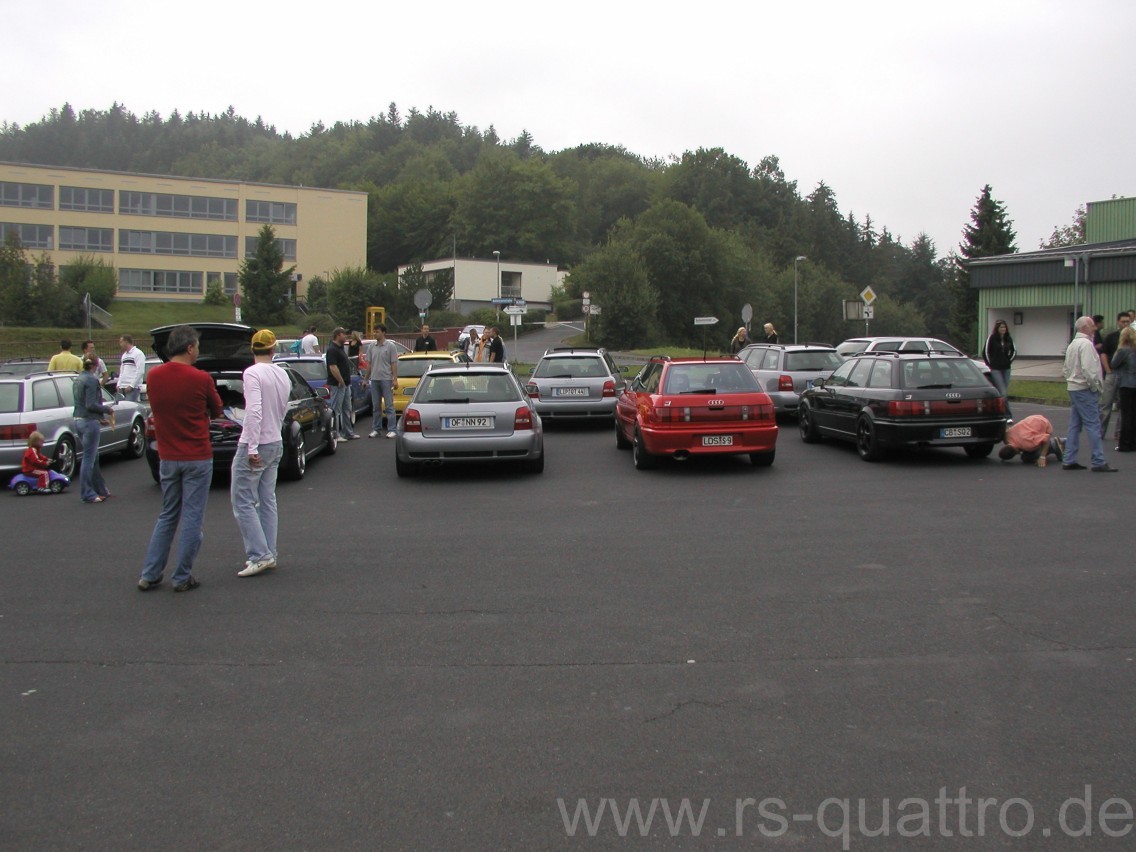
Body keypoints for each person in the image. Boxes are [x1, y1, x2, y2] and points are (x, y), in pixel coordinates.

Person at [137, 325, 224, 593]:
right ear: (189, 348)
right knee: (192, 518)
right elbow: (218, 409)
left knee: (167, 515)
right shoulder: (200, 378)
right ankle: (182, 576)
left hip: (167, 455)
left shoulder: (154, 376)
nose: (198, 351)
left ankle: (150, 573)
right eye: (197, 346)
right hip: (197, 455)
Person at [232, 329, 292, 578]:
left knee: (242, 500)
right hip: (275, 440)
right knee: (267, 499)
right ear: (273, 349)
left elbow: (254, 411)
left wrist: (252, 446)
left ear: (252, 349)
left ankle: (260, 554)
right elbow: (281, 408)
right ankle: (270, 552)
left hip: (256, 442)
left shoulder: (252, 373)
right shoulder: (282, 374)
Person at [1062, 315, 1117, 473]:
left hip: (1074, 387)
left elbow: (1066, 368)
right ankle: (1098, 461)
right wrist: (1096, 387)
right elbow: (1088, 369)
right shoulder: (1086, 344)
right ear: (1085, 327)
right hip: (1084, 388)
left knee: (1075, 425)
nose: (1095, 328)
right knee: (1093, 424)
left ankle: (1069, 458)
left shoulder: (1073, 344)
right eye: (1092, 325)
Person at [72, 355, 114, 503]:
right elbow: (91, 404)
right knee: (89, 458)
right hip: (89, 422)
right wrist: (106, 410)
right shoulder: (91, 380)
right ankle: (87, 493)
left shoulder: (78, 379)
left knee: (93, 456)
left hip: (78, 420)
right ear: (96, 366)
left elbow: (81, 403)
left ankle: (100, 488)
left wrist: (99, 416)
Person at [1099, 312, 1132, 440]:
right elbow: (1103, 354)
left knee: (1123, 406)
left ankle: (1119, 432)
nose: (1125, 324)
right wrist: (1108, 370)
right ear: (1118, 322)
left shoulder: (1132, 338)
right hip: (1112, 375)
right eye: (1123, 321)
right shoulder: (1111, 337)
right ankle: (1100, 432)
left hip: (1126, 376)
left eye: (1127, 321)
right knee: (1106, 404)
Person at [365, 324, 400, 438]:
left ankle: (392, 429)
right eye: (374, 332)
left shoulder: (390, 346)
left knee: (389, 405)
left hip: (386, 379)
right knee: (376, 406)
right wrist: (366, 379)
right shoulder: (371, 346)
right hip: (374, 379)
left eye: (378, 331)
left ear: (384, 333)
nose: (375, 334)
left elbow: (393, 363)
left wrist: (395, 379)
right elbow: (369, 364)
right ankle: (376, 429)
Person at [325, 326, 360, 439]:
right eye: (344, 334)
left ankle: (348, 432)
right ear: (338, 335)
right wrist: (340, 381)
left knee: (347, 409)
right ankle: (336, 434)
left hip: (346, 384)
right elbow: (333, 367)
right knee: (337, 410)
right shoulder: (332, 349)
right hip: (338, 384)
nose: (346, 336)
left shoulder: (340, 348)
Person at [998, 415, 1064, 467]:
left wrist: (1042, 457)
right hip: (1033, 418)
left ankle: (1054, 445)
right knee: (1025, 455)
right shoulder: (1007, 438)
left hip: (1044, 424)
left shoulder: (1027, 445)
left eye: (1017, 453)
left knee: (1027, 457)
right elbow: (1006, 429)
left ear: (1015, 452)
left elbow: (1046, 439)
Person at [983, 319, 1016, 419]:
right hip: (996, 369)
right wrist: (990, 364)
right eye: (1001, 327)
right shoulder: (992, 338)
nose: (1003, 329)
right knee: (1003, 393)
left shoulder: (1008, 338)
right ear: (997, 328)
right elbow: (985, 352)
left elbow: (1014, 352)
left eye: (1004, 327)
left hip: (1006, 368)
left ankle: (1000, 413)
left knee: (1003, 392)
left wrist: (1008, 361)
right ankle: (1007, 415)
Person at [1110, 325, 1136, 453]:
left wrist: (1116, 352)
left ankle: (1124, 444)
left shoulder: (1123, 351)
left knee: (1126, 415)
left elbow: (1114, 364)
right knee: (1134, 414)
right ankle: (1133, 442)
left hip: (1126, 384)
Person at [117, 334, 146, 402]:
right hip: (122, 387)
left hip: (133, 388)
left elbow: (140, 371)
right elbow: (122, 371)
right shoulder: (124, 355)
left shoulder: (138, 353)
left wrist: (131, 385)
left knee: (129, 408)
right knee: (120, 407)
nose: (120, 344)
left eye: (121, 342)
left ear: (126, 342)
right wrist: (119, 384)